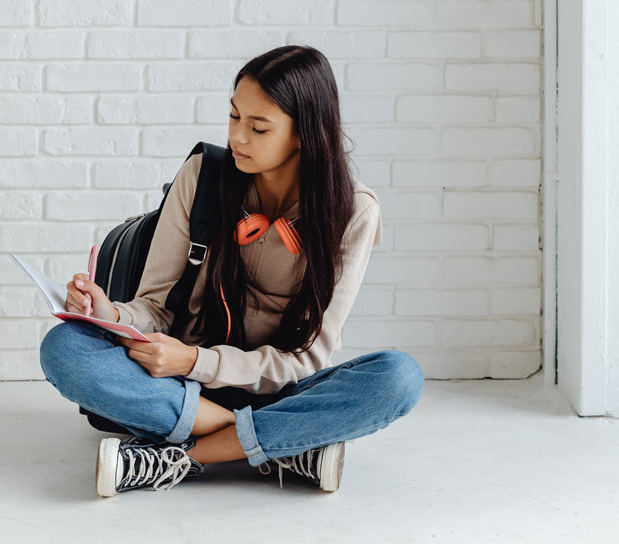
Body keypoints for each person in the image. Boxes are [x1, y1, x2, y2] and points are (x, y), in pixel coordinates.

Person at [39, 45, 424, 498]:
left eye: (259, 127)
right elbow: (156, 307)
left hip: (281, 389)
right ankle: (278, 444)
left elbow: (309, 359)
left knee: (399, 377)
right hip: (182, 388)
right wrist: (112, 314)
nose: (238, 137)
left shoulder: (352, 211)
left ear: (304, 134)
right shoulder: (203, 176)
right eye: (234, 117)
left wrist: (197, 360)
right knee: (64, 348)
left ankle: (181, 457)